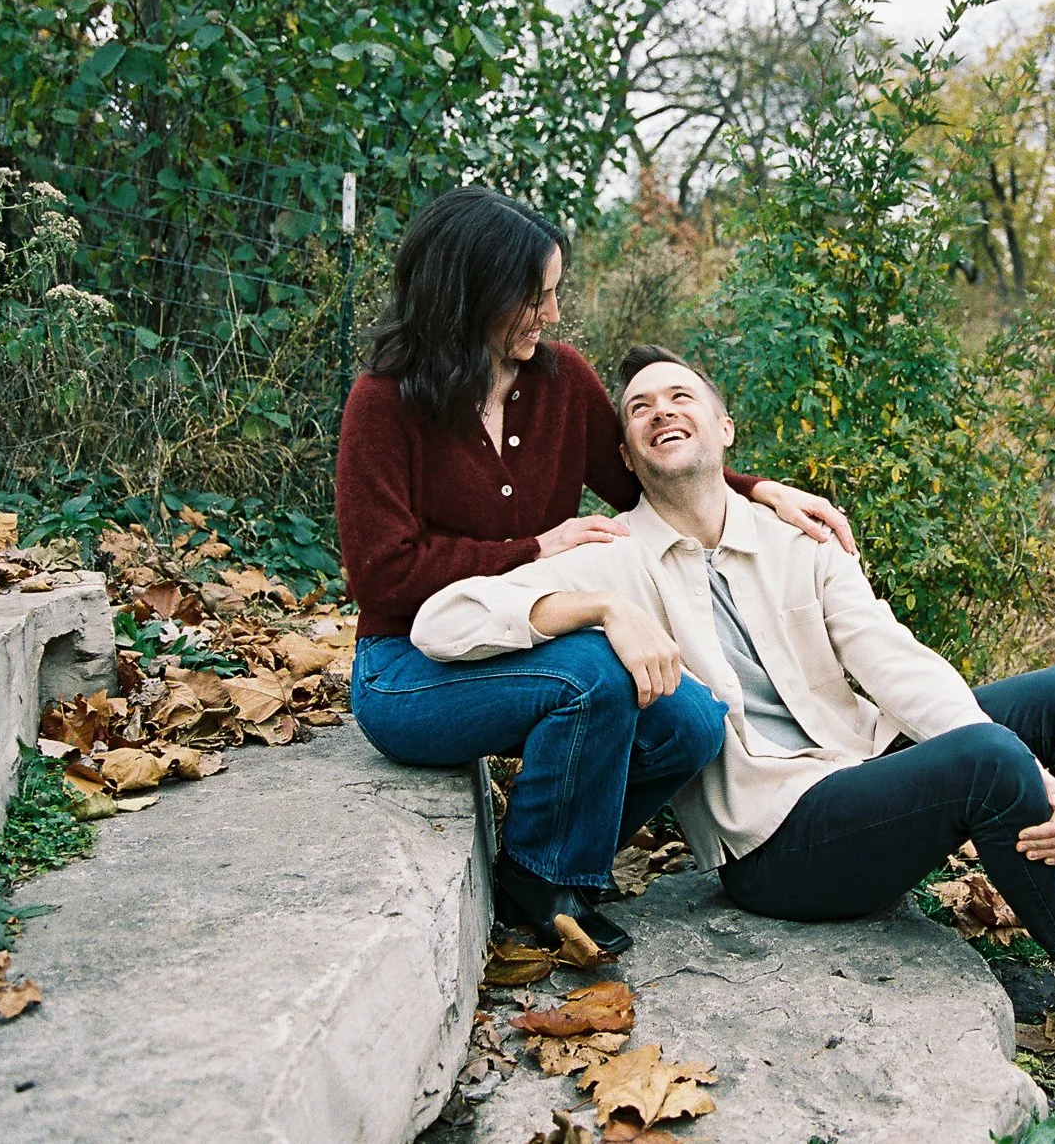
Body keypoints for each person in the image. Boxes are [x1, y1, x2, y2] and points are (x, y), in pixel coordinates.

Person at [409, 345, 1055, 1092]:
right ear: (627, 454)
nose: (660, 411)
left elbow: (894, 662)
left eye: (681, 398)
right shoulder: (611, 554)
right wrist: (592, 608)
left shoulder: (796, 537)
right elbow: (437, 622)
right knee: (988, 763)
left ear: (724, 427)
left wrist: (1021, 758)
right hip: (779, 842)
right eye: (638, 408)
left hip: (863, 771)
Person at [337, 190, 854, 957]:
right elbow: (384, 578)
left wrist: (759, 492)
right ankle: (543, 880)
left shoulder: (558, 381)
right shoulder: (385, 403)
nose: (551, 315)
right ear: (474, 293)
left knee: (693, 721)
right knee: (596, 672)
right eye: (535, 297)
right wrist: (536, 548)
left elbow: (651, 480)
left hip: (524, 647)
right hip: (410, 669)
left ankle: (550, 852)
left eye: (553, 294)